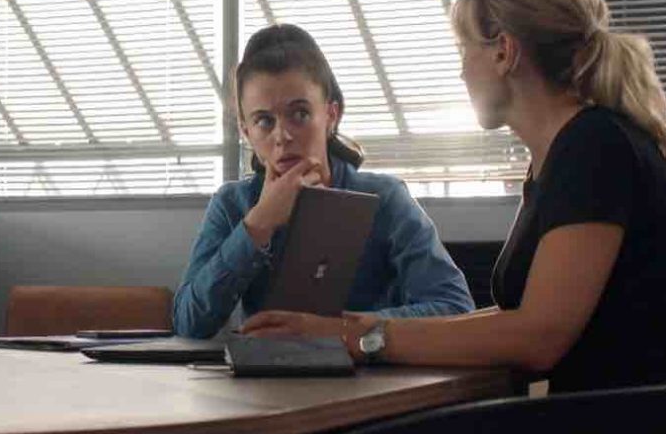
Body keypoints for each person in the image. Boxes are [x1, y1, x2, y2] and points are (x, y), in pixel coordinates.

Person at [241, 0, 666, 393]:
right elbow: (517, 318)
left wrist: (356, 337)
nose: (461, 71)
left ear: (503, 52)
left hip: (618, 428)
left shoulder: (594, 146)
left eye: (464, 49)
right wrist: (349, 326)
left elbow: (539, 337)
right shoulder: (565, 154)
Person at [173, 23, 474, 340]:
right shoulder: (232, 204)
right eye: (264, 121)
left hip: (369, 367)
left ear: (331, 115)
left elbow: (455, 308)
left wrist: (337, 330)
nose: (282, 136)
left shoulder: (384, 198)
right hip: (264, 371)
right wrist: (258, 225)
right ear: (246, 131)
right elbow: (188, 324)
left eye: (300, 114)